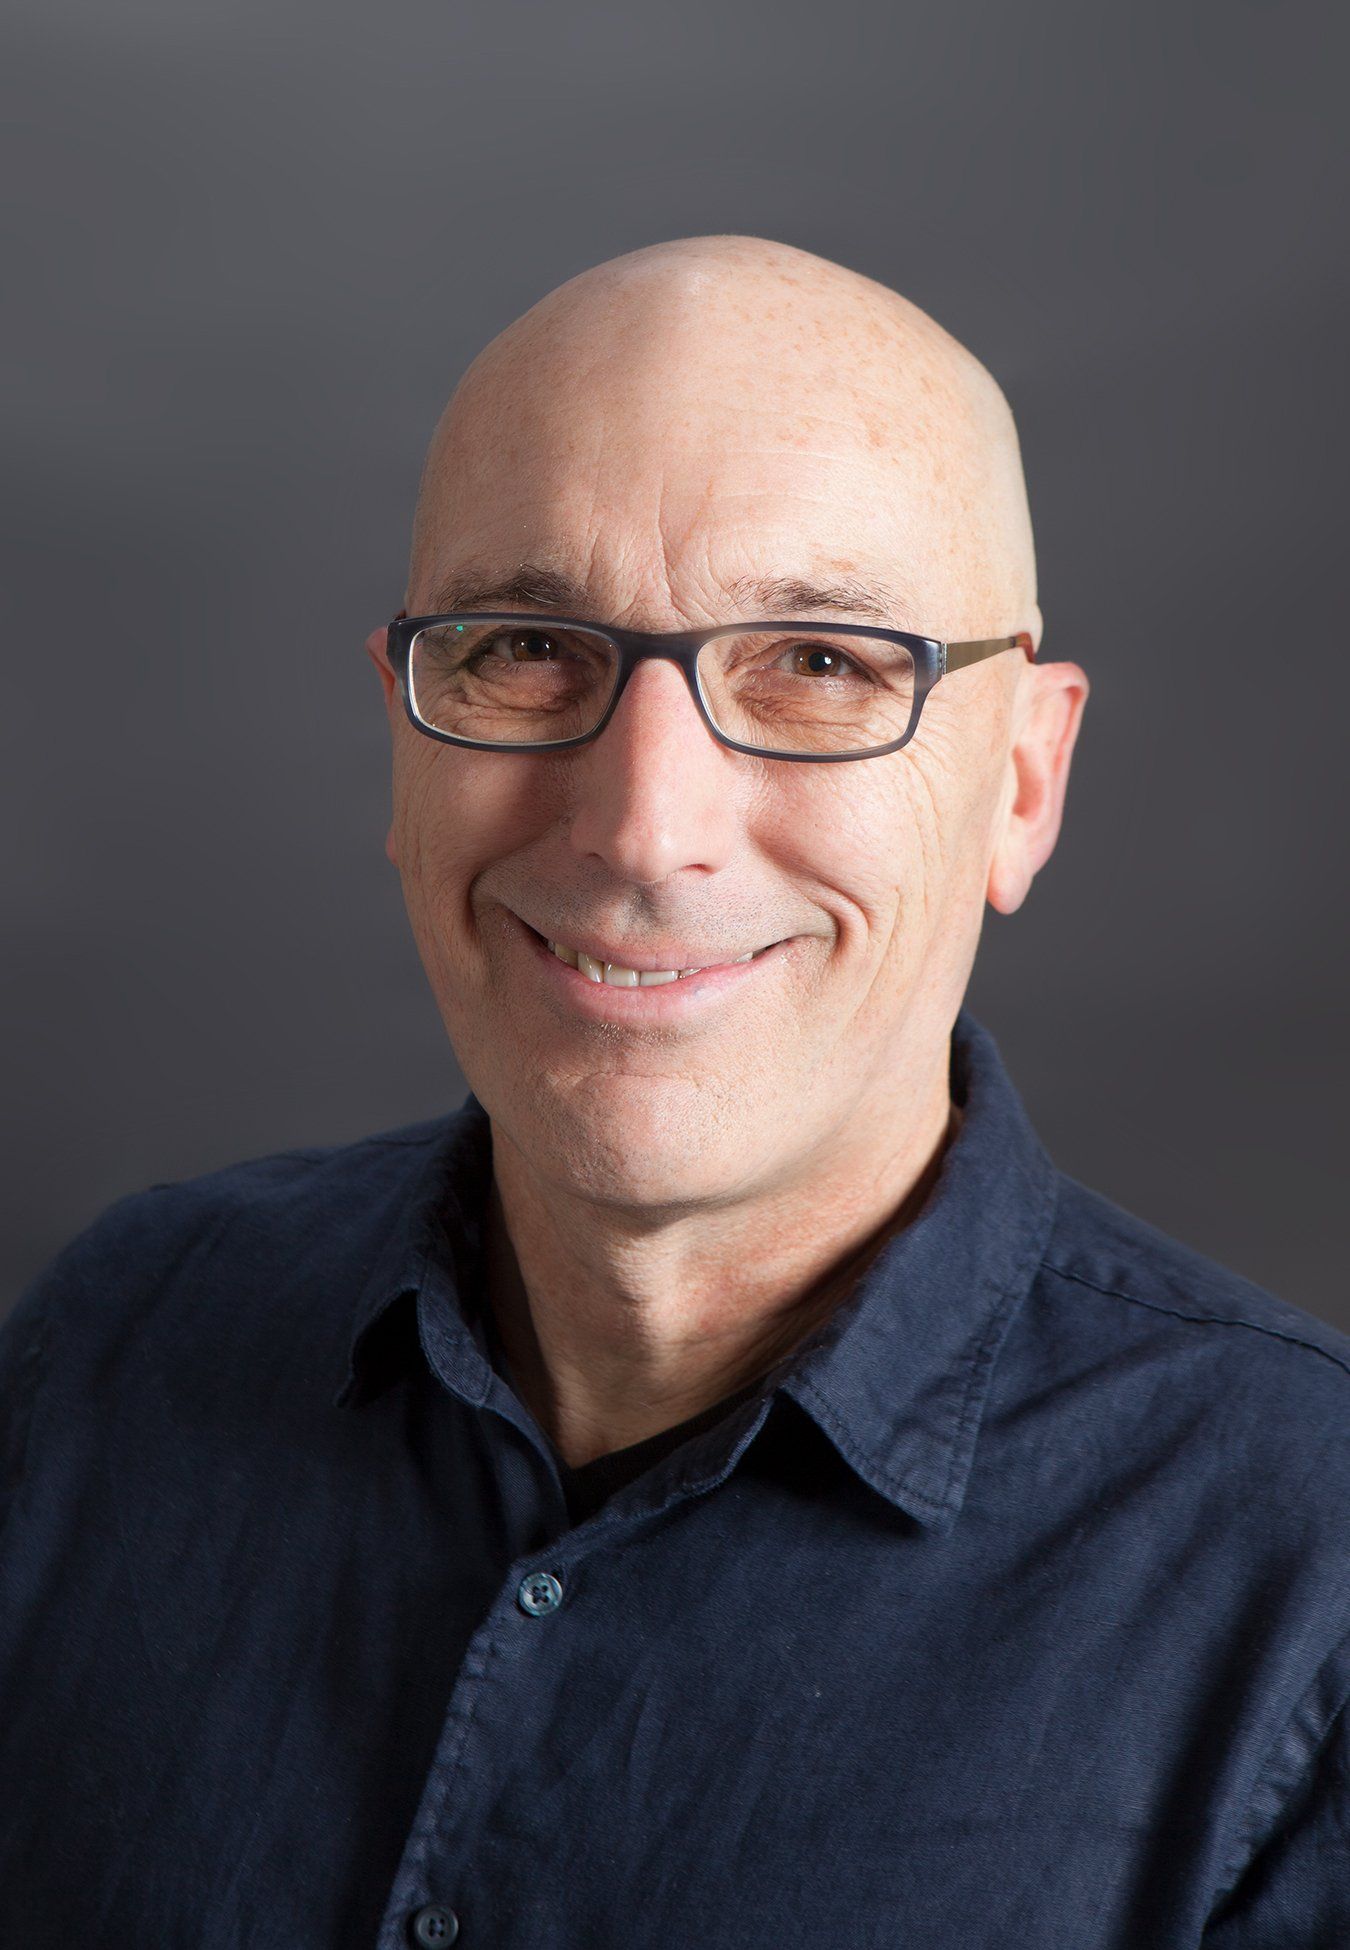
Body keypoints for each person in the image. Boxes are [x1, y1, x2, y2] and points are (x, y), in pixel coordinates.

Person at [1, 235, 1345, 1949]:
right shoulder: (109, 1351)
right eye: (525, 646)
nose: (643, 827)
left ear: (1022, 781)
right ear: (403, 742)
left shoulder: (1306, 1576)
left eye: (821, 663)